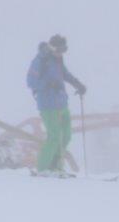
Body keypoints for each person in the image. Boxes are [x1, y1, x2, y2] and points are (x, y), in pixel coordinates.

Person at [26, 34, 87, 174]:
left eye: (64, 50)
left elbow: (65, 74)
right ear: (52, 47)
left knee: (66, 136)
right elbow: (30, 82)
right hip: (48, 104)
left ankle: (56, 166)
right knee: (54, 136)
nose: (61, 53)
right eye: (60, 50)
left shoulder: (57, 59)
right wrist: (47, 84)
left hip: (61, 103)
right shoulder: (41, 60)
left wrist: (78, 84)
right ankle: (43, 168)